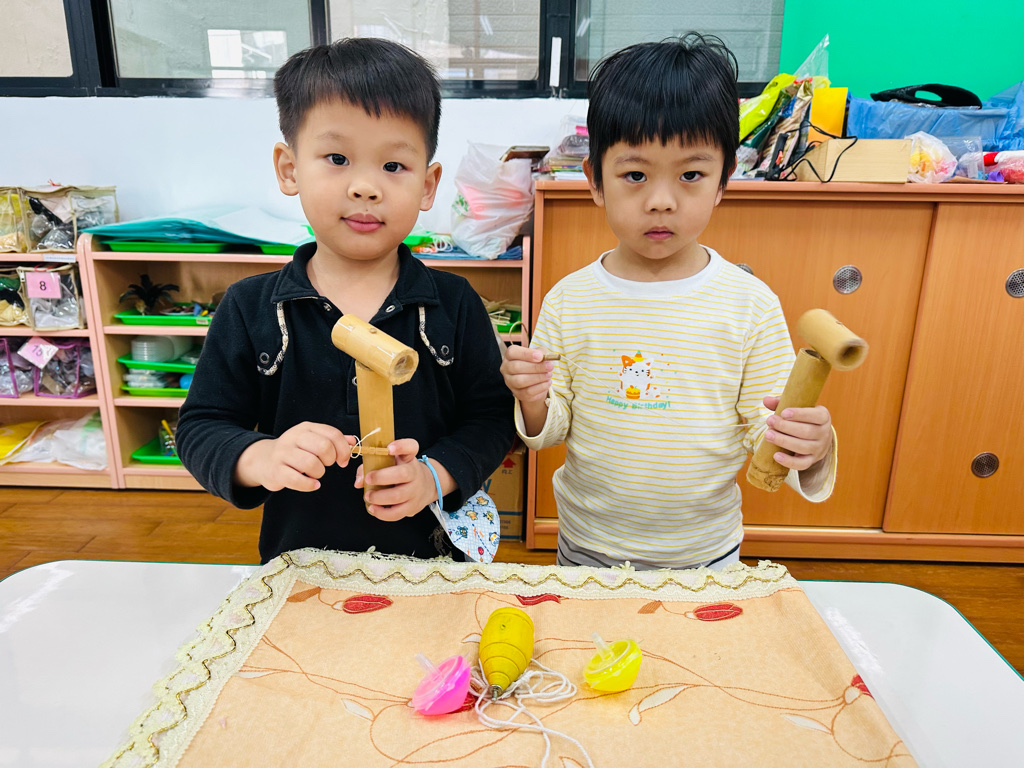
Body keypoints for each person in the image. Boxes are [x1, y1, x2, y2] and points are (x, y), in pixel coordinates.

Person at [501, 34, 836, 571]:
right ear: (595, 181)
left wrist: (807, 445)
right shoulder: (569, 299)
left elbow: (766, 430)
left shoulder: (749, 305)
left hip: (704, 556)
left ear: (723, 181)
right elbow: (552, 427)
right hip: (588, 550)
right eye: (635, 175)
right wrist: (531, 396)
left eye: (691, 175)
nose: (661, 200)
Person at [177, 38, 514, 563]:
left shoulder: (453, 303)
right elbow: (201, 427)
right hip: (303, 566)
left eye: (394, 166)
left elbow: (491, 419)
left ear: (428, 185)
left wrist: (435, 475)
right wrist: (261, 456)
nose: (365, 187)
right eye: (337, 158)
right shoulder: (249, 307)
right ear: (289, 169)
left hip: (432, 570)